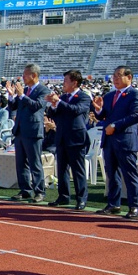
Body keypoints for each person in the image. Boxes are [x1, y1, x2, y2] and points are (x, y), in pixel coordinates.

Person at [93, 66, 138, 219]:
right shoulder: (109, 96)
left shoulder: (135, 95)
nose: (115, 78)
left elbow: (136, 115)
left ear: (129, 77)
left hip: (125, 139)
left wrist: (115, 126)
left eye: (119, 75)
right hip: (109, 140)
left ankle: (134, 205)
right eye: (113, 76)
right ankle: (113, 204)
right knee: (112, 174)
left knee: (129, 174)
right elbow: (105, 115)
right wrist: (98, 110)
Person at [45, 70, 91, 210]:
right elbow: (54, 114)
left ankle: (81, 198)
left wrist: (58, 102)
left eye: (66, 80)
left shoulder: (83, 97)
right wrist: (53, 105)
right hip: (62, 136)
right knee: (62, 169)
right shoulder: (63, 97)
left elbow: (75, 110)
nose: (63, 83)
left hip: (76, 138)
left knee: (78, 170)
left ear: (74, 82)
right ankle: (63, 196)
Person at [6, 64, 48, 203]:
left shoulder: (43, 90)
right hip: (20, 131)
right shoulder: (23, 90)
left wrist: (22, 95)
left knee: (35, 163)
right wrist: (11, 96)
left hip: (33, 131)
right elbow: (13, 107)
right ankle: (25, 190)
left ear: (34, 75)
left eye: (25, 74)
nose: (23, 77)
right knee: (21, 163)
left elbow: (36, 106)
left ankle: (39, 191)